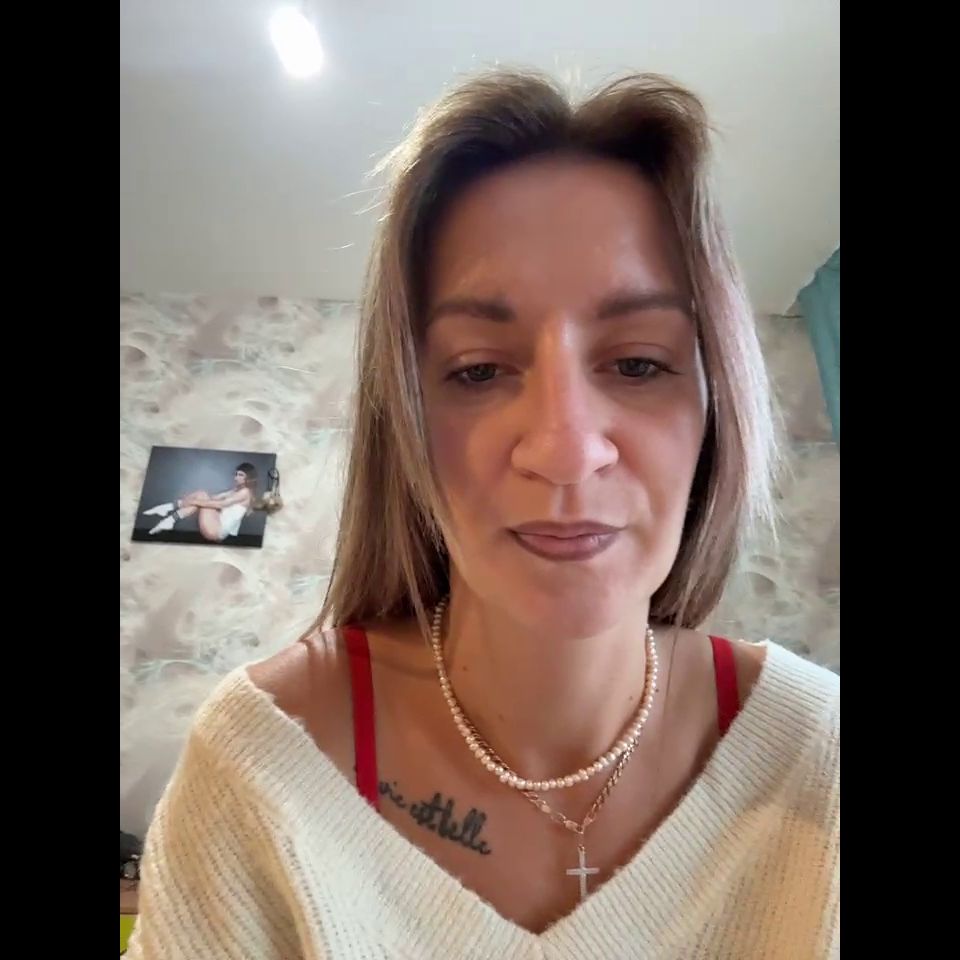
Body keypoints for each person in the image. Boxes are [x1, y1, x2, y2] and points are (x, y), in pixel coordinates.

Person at [127, 70, 839, 959]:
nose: (566, 450)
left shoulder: (821, 754)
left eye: (639, 363)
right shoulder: (260, 767)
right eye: (477, 370)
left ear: (717, 410)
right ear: (406, 427)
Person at [142, 462, 257, 542]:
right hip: (216, 522)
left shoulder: (245, 492)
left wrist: (192, 501)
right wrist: (192, 499)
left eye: (241, 475)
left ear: (249, 478)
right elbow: (214, 498)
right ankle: (169, 518)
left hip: (217, 530)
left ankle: (169, 511)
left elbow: (221, 504)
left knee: (200, 497)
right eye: (236, 474)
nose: (236, 477)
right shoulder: (235, 491)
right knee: (201, 495)